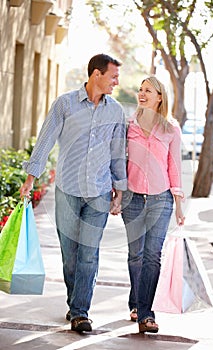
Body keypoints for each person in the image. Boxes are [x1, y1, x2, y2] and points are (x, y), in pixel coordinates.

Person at [20, 53, 127, 333]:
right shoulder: (64, 104)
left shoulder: (115, 111)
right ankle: (74, 302)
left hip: (99, 192)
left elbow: (118, 153)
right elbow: (45, 141)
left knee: (88, 254)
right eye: (113, 76)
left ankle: (81, 311)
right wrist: (30, 179)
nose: (116, 82)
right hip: (68, 190)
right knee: (70, 255)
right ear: (96, 74)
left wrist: (120, 190)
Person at [121, 76, 185, 333]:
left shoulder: (171, 129)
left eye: (148, 90)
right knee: (136, 255)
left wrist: (179, 204)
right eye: (140, 89)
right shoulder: (128, 126)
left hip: (161, 199)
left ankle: (146, 314)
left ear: (160, 97)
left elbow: (175, 167)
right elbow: (119, 161)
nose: (142, 94)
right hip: (133, 198)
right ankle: (136, 302)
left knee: (152, 256)